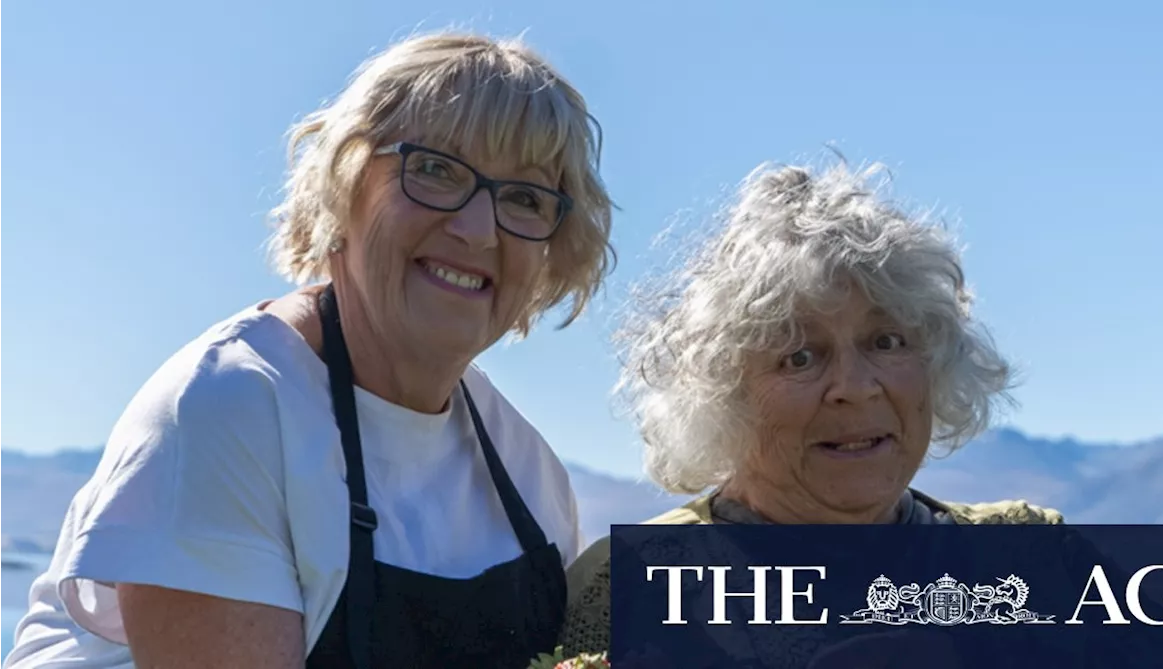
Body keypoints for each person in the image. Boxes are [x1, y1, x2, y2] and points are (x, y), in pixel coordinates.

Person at [4, 30, 614, 669]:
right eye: (435, 169)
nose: (477, 228)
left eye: (524, 197)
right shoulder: (232, 406)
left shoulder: (530, 474)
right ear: (343, 184)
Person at [556, 157, 1063, 663]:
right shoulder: (625, 587)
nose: (856, 387)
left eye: (886, 342)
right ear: (722, 393)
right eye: (799, 356)